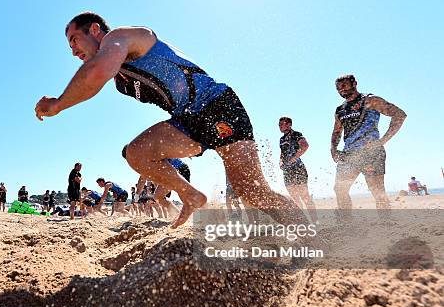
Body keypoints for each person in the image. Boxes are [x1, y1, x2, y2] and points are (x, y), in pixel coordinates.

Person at [35, 12, 305, 228]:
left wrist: (58, 104)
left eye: (74, 40)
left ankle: (310, 235)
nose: (72, 50)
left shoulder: (124, 37)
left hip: (217, 105)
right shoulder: (120, 80)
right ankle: (190, 194)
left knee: (253, 193)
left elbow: (97, 72)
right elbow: (96, 77)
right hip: (188, 120)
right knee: (136, 153)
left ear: (94, 29)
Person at [331, 75, 407, 210]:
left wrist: (383, 140)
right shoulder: (340, 110)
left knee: (377, 191)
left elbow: (399, 114)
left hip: (371, 153)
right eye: (338, 87)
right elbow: (337, 131)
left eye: (344, 85)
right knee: (340, 189)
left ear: (354, 83)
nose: (340, 89)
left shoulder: (370, 100)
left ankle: (386, 224)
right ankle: (346, 225)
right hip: (348, 154)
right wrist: (333, 148)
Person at [279, 117, 317, 223]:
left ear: (289, 124)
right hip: (287, 171)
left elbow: (305, 146)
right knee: (295, 198)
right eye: (279, 124)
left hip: (298, 168)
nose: (280, 126)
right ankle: (302, 222)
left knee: (305, 196)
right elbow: (282, 153)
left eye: (283, 123)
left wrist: (293, 158)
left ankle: (315, 221)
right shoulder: (282, 140)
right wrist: (281, 162)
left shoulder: (296, 134)